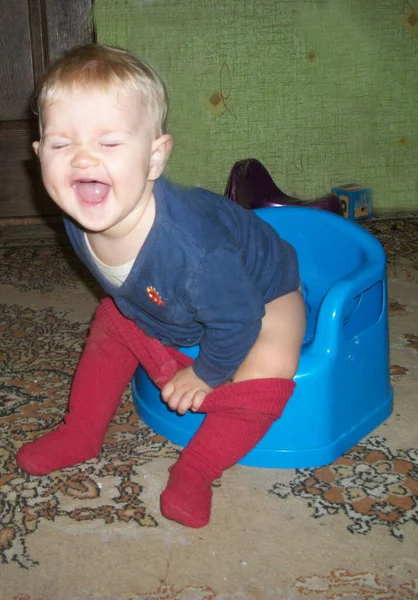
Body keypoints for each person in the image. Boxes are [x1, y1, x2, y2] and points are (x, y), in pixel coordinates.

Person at [16, 44, 306, 528]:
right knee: (112, 319)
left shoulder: (198, 252)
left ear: (154, 158)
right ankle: (81, 430)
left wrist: (207, 374)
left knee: (270, 361)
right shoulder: (78, 214)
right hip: (172, 298)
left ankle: (197, 467)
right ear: (39, 154)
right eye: (61, 144)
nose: (82, 159)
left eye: (108, 143)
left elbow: (239, 320)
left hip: (263, 293)